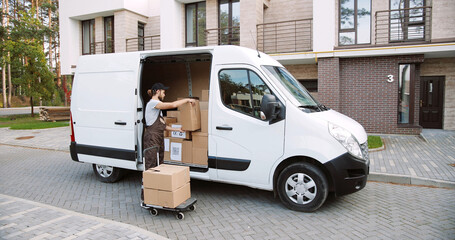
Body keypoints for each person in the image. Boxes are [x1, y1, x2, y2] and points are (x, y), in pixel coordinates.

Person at [141, 82, 196, 205]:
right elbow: (172, 105)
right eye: (164, 91)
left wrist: (177, 129)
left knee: (159, 166)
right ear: (158, 91)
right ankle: (147, 197)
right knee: (150, 167)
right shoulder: (153, 104)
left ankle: (158, 195)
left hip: (158, 139)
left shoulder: (157, 109)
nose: (165, 93)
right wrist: (187, 99)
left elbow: (163, 126)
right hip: (152, 139)